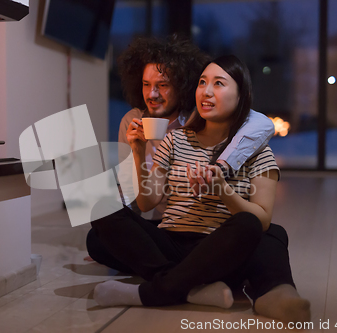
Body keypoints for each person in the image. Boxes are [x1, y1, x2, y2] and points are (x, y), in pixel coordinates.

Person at [91, 55, 311, 324]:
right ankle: (189, 287)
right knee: (102, 208)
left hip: (219, 251)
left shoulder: (258, 152)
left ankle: (155, 291)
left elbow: (262, 218)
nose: (206, 91)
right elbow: (148, 203)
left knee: (261, 228)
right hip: (171, 242)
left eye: (219, 84)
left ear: (241, 95)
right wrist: (138, 153)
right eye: (202, 82)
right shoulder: (175, 139)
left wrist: (221, 188)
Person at [86, 36, 275, 269]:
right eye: (146, 84)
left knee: (269, 236)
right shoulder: (133, 121)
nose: (152, 94)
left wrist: (223, 167)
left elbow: (261, 123)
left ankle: (171, 275)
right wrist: (119, 233)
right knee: (96, 239)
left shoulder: (200, 117)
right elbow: (137, 199)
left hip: (205, 226)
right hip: (163, 225)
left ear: (183, 84)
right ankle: (183, 275)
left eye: (162, 85)